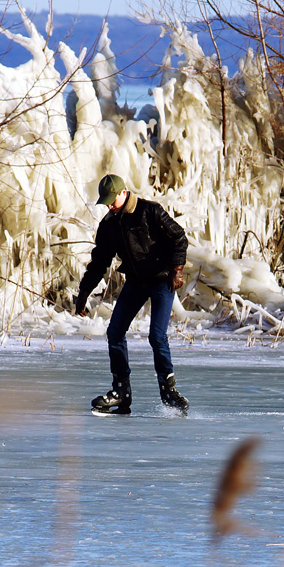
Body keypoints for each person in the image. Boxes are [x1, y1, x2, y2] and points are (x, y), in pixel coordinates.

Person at [75, 174, 190, 415]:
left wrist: (177, 270)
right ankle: (121, 392)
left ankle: (168, 391)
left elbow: (179, 237)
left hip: (161, 279)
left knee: (156, 336)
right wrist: (84, 291)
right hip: (136, 282)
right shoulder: (109, 224)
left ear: (123, 192)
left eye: (111, 201)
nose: (108, 206)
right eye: (104, 202)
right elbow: (99, 262)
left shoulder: (150, 211)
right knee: (114, 332)